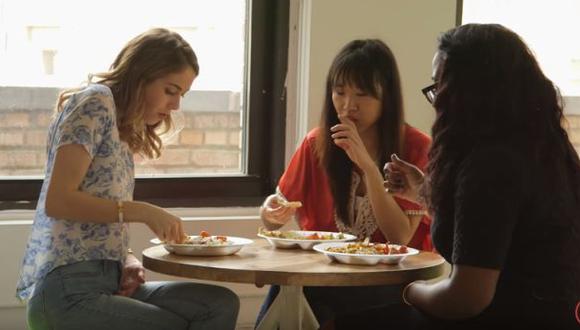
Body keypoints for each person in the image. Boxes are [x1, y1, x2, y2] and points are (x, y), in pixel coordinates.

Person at [334, 24, 580, 329]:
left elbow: (466, 298)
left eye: (441, 86)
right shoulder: (544, 150)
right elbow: (488, 228)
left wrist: (412, 292)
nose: (437, 100)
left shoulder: (490, 165)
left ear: (472, 91)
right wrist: (425, 191)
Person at [16, 28, 240, 330]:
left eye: (181, 95)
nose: (175, 105)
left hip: (107, 281)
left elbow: (98, 209)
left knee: (218, 304)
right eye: (170, 90)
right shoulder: (95, 102)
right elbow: (59, 201)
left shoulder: (119, 126)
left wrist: (128, 257)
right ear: (141, 75)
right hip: (66, 292)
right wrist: (142, 211)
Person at [256, 38, 432, 327]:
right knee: (290, 289)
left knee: (312, 298)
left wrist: (367, 166)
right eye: (339, 93)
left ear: (386, 97)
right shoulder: (317, 143)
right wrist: (270, 211)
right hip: (327, 274)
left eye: (362, 95)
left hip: (392, 281)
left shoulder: (415, 147)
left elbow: (399, 236)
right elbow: (274, 219)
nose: (348, 106)